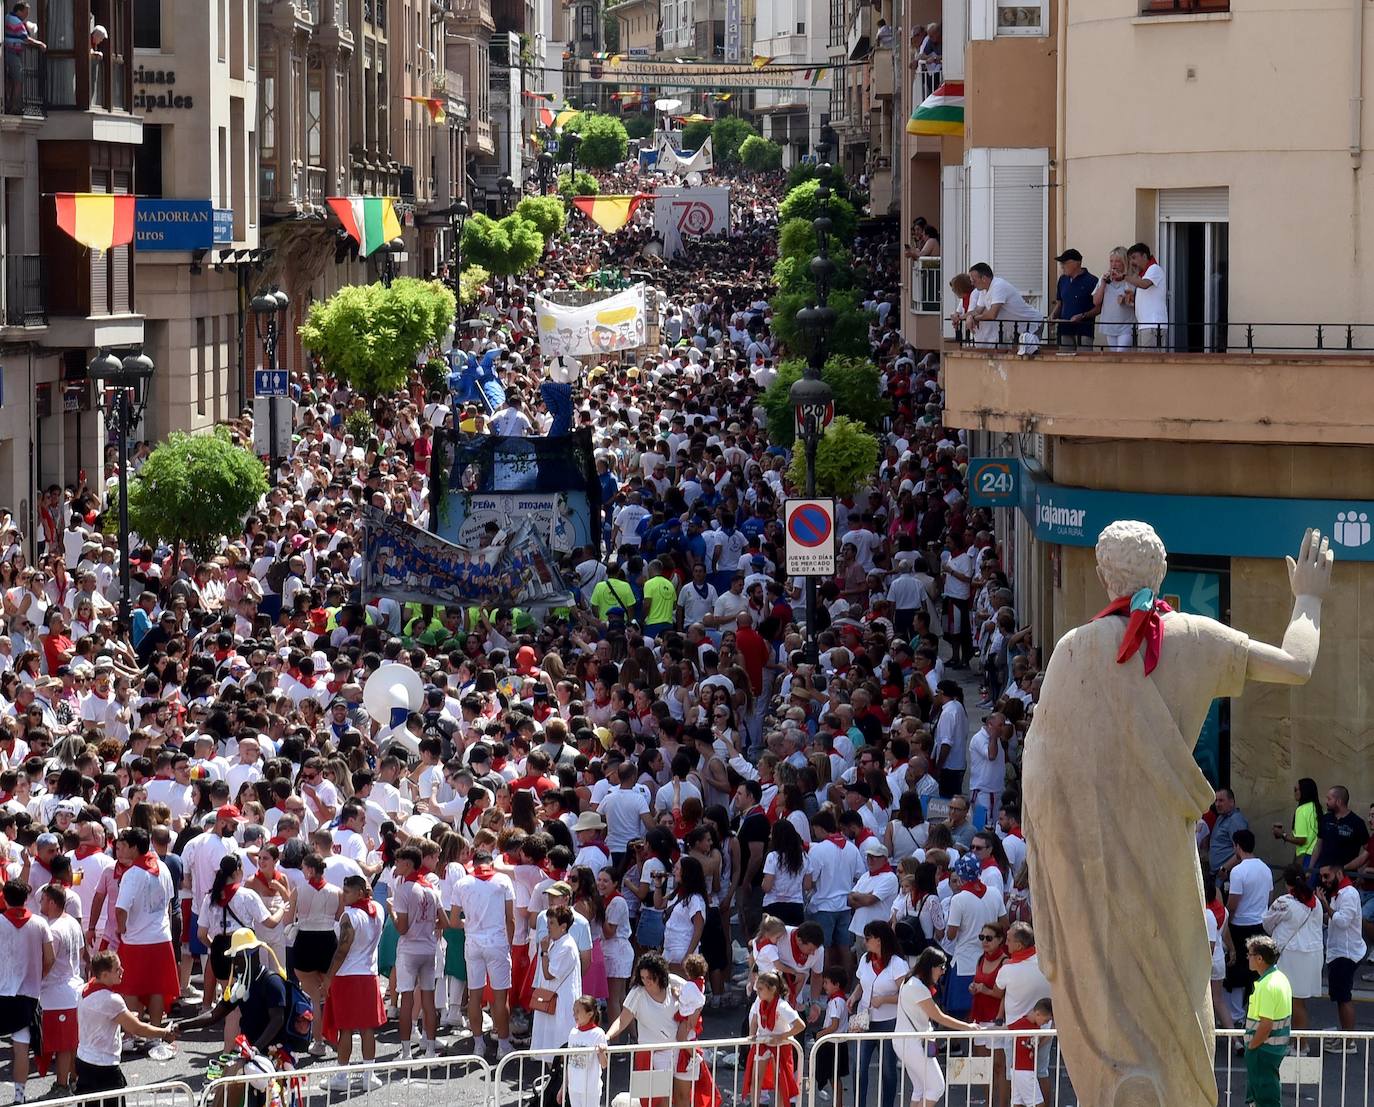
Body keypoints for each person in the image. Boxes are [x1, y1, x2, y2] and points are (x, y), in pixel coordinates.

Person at [76, 951, 177, 1104]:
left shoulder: (84, 989)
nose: (122, 971)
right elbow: (137, 1029)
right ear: (104, 975)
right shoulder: (111, 1000)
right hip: (104, 1066)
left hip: (84, 1060)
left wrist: (126, 1016)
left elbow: (103, 1017)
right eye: (117, 969)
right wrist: (164, 1033)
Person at [320, 874, 386, 1090]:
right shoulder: (378, 909)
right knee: (368, 1028)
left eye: (347, 891)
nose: (343, 895)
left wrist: (328, 977)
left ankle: (341, 1076)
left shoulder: (349, 916)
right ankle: (369, 1075)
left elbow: (341, 951)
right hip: (369, 975)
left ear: (359, 892)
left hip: (347, 977)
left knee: (346, 1029)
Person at [893, 947, 980, 1107]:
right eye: (941, 967)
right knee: (937, 1087)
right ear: (931, 967)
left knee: (920, 1089)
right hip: (913, 1043)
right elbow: (938, 1016)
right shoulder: (916, 986)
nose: (943, 971)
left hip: (907, 1042)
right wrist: (967, 1027)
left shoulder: (911, 982)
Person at [451, 848, 516, 1057]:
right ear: (490, 862)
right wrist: (509, 943)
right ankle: (503, 1045)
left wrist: (468, 924)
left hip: (473, 942)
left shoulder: (462, 883)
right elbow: (510, 918)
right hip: (497, 942)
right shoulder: (503, 881)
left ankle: (479, 1043)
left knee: (474, 995)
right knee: (500, 996)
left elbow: (453, 921)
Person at [0, 878, 52, 1104]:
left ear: (5, 898)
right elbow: (49, 958)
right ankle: (19, 1098)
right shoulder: (40, 924)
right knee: (21, 1049)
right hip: (28, 996)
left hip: (1, 992)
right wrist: (38, 977)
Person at [390, 844, 442, 1059]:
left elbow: (402, 928)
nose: (395, 865)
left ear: (408, 863)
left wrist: (391, 911)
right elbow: (444, 922)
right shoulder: (431, 888)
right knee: (428, 1001)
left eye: (399, 861)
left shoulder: (404, 889)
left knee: (407, 999)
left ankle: (405, 1053)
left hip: (409, 949)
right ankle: (429, 1049)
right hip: (428, 948)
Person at [1260, 864, 1322, 1038]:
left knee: (1289, 1003)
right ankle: (1299, 1045)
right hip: (1313, 955)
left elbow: (1266, 923)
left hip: (1291, 956)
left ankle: (1296, 1045)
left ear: (1287, 884)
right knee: (1299, 1003)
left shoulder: (1284, 902)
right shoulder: (1316, 902)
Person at [850, 921, 905, 1107]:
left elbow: (906, 995)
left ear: (879, 940)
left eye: (867, 938)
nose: (864, 942)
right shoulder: (865, 958)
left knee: (888, 1069)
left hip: (888, 1022)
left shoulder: (898, 964)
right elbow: (860, 983)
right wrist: (854, 996)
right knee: (858, 1067)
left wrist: (884, 1000)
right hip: (864, 1020)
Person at [1316, 860, 1366, 1048]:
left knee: (1344, 997)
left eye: (1326, 876)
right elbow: (1333, 920)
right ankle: (1345, 1035)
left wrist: (1325, 904)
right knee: (1340, 998)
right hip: (1338, 953)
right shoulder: (1338, 894)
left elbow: (1342, 921)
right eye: (1322, 876)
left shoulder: (1349, 894)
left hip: (1346, 954)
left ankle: (1349, 1042)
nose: (1324, 880)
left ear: (1338, 874)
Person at [1242, 936, 1291, 1107]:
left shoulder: (1266, 986)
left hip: (1262, 1051)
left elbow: (1266, 1025)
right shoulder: (1280, 979)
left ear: (1260, 958)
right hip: (1271, 1051)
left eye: (1250, 954)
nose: (1247, 957)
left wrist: (1251, 1047)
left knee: (1264, 1098)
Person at [742, 971, 803, 1107]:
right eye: (757, 989)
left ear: (773, 989)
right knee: (755, 1079)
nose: (757, 992)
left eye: (761, 989)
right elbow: (754, 1021)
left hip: (780, 1046)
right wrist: (753, 1038)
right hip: (762, 1044)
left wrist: (782, 1036)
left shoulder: (782, 1006)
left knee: (781, 1083)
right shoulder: (759, 1002)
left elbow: (800, 1025)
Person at [966, 262, 1043, 348]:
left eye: (974, 280)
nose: (972, 283)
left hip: (1031, 325)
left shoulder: (998, 286)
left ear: (984, 278)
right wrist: (970, 317)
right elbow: (977, 310)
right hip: (1016, 329)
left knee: (1029, 355)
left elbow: (992, 314)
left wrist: (975, 318)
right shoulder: (984, 290)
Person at [563, 996, 608, 1107]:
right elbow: (569, 1062)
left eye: (578, 1011)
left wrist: (601, 1052)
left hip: (590, 1088)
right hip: (574, 1087)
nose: (574, 1015)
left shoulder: (598, 1033)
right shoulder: (573, 1032)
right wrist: (564, 1086)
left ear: (590, 1014)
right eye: (574, 1011)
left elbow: (604, 1064)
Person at [1049, 249, 1097, 348]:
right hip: (1064, 329)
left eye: (1065, 263)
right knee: (1064, 360)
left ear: (1076, 263)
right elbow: (1060, 303)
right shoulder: (1062, 280)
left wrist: (1083, 316)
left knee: (1084, 360)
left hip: (1084, 331)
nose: (1062, 266)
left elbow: (1098, 307)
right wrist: (1053, 315)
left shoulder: (1092, 281)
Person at [1273, 777, 1321, 873]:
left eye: (1296, 790)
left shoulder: (1301, 810)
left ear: (1304, 791)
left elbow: (1302, 840)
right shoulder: (1317, 808)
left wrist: (1283, 835)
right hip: (1317, 856)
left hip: (1305, 857)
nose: (1294, 793)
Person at [1092, 246, 1135, 350]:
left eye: (1117, 261)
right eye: (1111, 261)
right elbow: (1096, 301)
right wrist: (1103, 283)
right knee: (1114, 355)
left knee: (1121, 352)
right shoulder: (1104, 278)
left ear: (1125, 262)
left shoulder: (1131, 279)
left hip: (1126, 326)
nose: (1113, 264)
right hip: (1110, 325)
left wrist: (1125, 299)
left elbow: (1135, 301)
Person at [1123, 243, 1167, 346]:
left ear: (1144, 256)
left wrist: (1124, 277)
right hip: (1146, 326)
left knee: (1150, 361)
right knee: (1146, 360)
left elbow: (1145, 284)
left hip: (1153, 325)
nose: (1132, 262)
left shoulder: (1154, 269)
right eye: (1130, 259)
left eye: (1134, 258)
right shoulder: (1144, 274)